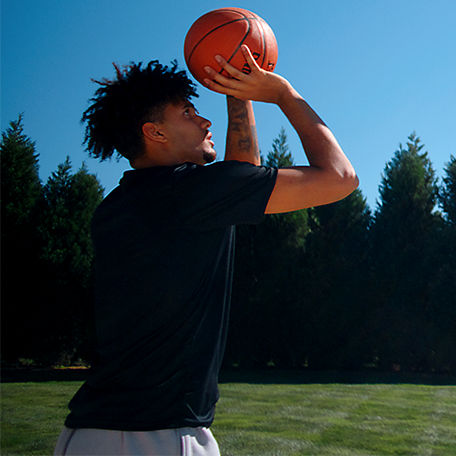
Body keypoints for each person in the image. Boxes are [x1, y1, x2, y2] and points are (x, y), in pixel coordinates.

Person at [54, 45, 358, 456]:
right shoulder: (187, 194)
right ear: (155, 132)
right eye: (187, 114)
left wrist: (240, 90)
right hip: (155, 435)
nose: (203, 120)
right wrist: (283, 93)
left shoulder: (121, 204)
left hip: (87, 433)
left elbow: (240, 175)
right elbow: (339, 178)